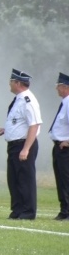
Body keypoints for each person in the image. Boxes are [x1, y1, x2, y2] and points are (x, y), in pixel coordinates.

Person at [0, 69, 42, 220]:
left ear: (17, 83)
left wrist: (26, 149)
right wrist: (7, 129)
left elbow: (34, 125)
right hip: (14, 145)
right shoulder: (18, 99)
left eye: (11, 82)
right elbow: (20, 121)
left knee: (25, 179)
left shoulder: (28, 100)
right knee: (14, 179)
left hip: (23, 145)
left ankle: (28, 212)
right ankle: (17, 211)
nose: (9, 84)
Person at [49, 72, 69, 221]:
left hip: (65, 149)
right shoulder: (65, 102)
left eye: (59, 86)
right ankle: (64, 210)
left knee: (65, 180)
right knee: (61, 179)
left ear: (65, 87)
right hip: (59, 147)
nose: (57, 89)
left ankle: (66, 212)